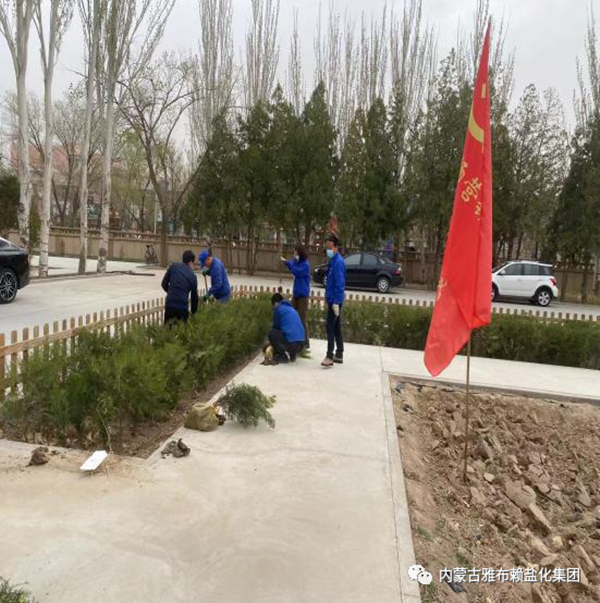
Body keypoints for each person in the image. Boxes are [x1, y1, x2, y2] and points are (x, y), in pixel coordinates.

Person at [321, 235, 345, 368]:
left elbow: (339, 284)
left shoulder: (338, 262)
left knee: (329, 326)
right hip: (332, 298)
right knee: (336, 327)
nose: (328, 250)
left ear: (335, 247)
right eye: (327, 248)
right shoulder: (333, 261)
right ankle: (339, 353)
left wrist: (336, 302)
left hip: (335, 300)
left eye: (329, 247)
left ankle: (329, 356)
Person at [282, 245, 311, 348]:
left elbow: (296, 271)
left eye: (296, 253)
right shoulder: (298, 263)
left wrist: (289, 263)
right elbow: (292, 265)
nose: (294, 255)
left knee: (302, 319)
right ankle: (293, 338)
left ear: (300, 254)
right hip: (296, 294)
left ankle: (306, 341)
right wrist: (287, 262)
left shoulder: (305, 265)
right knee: (291, 315)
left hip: (303, 296)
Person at [266, 293, 306, 365]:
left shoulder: (278, 310)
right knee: (289, 333)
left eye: (273, 305)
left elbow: (276, 328)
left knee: (272, 333)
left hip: (293, 345)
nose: (273, 307)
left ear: (275, 303)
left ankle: (282, 356)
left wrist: (272, 344)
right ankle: (293, 355)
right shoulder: (291, 308)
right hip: (301, 344)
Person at [161, 250, 199, 324]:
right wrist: (193, 313)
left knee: (168, 328)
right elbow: (194, 297)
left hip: (170, 305)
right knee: (181, 329)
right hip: (182, 307)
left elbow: (164, 284)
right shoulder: (193, 276)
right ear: (191, 262)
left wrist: (172, 293)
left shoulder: (173, 267)